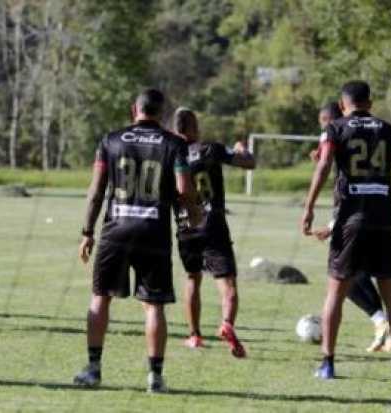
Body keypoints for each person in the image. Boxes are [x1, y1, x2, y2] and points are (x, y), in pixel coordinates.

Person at [73, 89, 201, 393]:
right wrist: (192, 210)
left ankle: (93, 369)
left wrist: (87, 232)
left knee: (100, 297)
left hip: (115, 231)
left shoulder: (111, 140)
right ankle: (155, 378)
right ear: (162, 112)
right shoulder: (174, 143)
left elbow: (95, 192)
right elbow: (184, 188)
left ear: (135, 109)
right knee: (154, 306)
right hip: (153, 232)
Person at [301, 81, 391, 380]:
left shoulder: (335, 128)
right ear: (370, 102)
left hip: (351, 219)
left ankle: (328, 364)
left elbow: (324, 164)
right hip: (383, 219)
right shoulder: (389, 129)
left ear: (342, 104)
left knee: (336, 292)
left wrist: (309, 206)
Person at [172, 108, 255, 358]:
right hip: (212, 222)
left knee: (192, 279)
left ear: (176, 130)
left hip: (185, 226)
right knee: (227, 283)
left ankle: (194, 336)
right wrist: (242, 149)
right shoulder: (211, 149)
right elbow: (249, 163)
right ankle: (226, 324)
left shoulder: (169, 154)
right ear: (195, 128)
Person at [311, 101, 391, 353]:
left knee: (346, 277)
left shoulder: (338, 132)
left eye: (323, 123)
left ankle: (381, 324)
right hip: (377, 214)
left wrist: (332, 224)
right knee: (359, 275)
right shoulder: (365, 133)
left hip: (356, 217)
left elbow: (354, 187)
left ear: (330, 119)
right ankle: (384, 326)